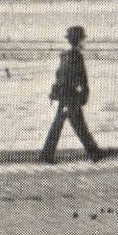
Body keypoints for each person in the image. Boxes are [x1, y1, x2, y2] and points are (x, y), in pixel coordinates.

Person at [39, 25, 103, 164]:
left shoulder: (67, 56)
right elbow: (76, 79)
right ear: (78, 40)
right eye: (83, 39)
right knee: (73, 126)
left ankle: (47, 155)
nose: (84, 42)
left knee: (72, 125)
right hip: (70, 98)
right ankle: (94, 154)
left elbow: (61, 76)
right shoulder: (75, 57)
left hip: (67, 97)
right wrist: (82, 95)